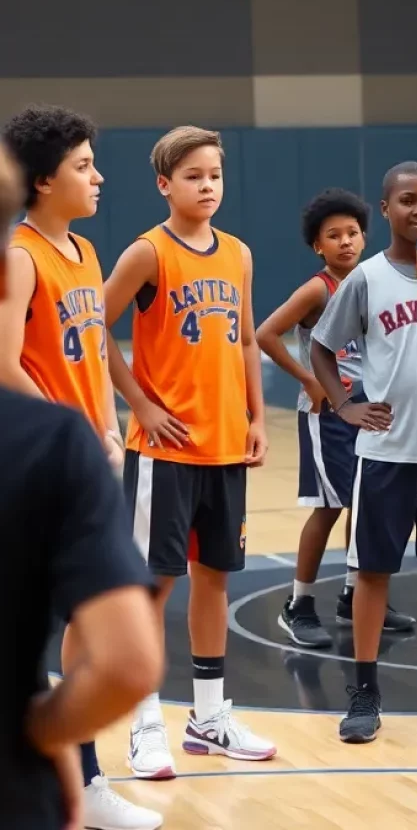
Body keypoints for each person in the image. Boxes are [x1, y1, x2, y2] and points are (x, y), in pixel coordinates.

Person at [0, 105, 164, 830]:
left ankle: (85, 774)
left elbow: (95, 352)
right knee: (58, 627)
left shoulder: (87, 253)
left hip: (81, 454)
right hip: (41, 462)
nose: (98, 178)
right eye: (84, 166)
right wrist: (65, 429)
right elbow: (5, 362)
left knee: (81, 622)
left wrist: (104, 423)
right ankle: (79, 773)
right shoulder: (21, 256)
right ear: (42, 181)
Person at [103, 125, 276, 780]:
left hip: (225, 446)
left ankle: (208, 719)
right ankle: (145, 722)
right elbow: (96, 329)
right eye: (194, 176)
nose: (208, 187)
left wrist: (257, 418)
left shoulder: (238, 253)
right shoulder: (148, 252)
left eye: (215, 175)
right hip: (165, 451)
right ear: (164, 184)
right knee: (153, 586)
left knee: (215, 579)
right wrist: (140, 406)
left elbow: (247, 342)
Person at [311, 161, 417, 744]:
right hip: (385, 451)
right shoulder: (367, 279)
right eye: (408, 200)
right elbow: (321, 346)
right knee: (372, 572)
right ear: (385, 209)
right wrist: (344, 405)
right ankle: (365, 691)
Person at [256, 188, 415, 647]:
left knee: (364, 503)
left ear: (364, 237)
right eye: (334, 235)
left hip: (365, 409)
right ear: (317, 246)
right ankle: (298, 604)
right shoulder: (317, 288)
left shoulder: (371, 280)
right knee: (328, 507)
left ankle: (353, 595)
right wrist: (308, 379)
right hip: (326, 414)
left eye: (352, 233)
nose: (345, 241)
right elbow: (266, 333)